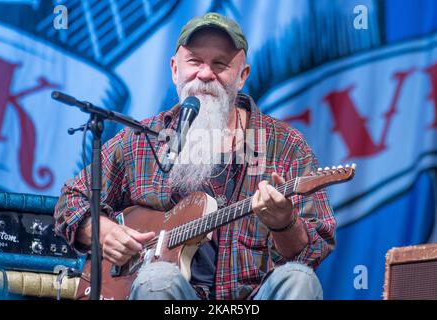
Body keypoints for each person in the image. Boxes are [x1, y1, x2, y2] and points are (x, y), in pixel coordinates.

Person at [54, 12, 336, 300]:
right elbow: (71, 199)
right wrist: (103, 231)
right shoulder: (140, 140)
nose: (205, 74)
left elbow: (313, 250)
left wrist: (283, 222)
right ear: (175, 69)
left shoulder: (285, 146)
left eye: (220, 64)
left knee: (299, 279)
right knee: (158, 277)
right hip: (168, 296)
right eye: (195, 62)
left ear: (242, 76)